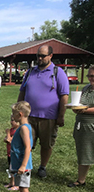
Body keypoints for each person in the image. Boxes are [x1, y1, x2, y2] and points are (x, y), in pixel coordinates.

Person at [17, 45, 69, 178]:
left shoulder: (58, 72)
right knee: (26, 142)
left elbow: (64, 96)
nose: (40, 58)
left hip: (49, 117)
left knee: (46, 144)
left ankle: (42, 167)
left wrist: (61, 116)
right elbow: (22, 92)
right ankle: (25, 165)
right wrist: (18, 111)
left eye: (43, 56)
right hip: (28, 116)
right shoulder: (30, 72)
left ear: (50, 56)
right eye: (38, 56)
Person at [68, 66, 94, 187]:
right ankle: (81, 180)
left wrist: (84, 110)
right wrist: (76, 109)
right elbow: (78, 104)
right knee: (84, 152)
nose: (90, 78)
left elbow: (85, 108)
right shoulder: (86, 88)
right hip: (82, 125)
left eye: (92, 76)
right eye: (89, 76)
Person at [8, 101, 33, 192]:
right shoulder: (22, 127)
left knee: (24, 188)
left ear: (20, 114)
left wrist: (23, 165)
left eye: (14, 114)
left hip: (23, 166)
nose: (12, 116)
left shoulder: (24, 128)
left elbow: (28, 147)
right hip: (18, 163)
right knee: (21, 187)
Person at [4, 115, 20, 191]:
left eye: (13, 120)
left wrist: (7, 133)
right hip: (10, 153)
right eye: (11, 120)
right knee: (11, 169)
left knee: (15, 170)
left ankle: (17, 185)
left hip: (15, 154)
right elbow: (6, 139)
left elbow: (10, 140)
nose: (11, 122)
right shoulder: (11, 130)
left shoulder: (18, 131)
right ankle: (11, 183)